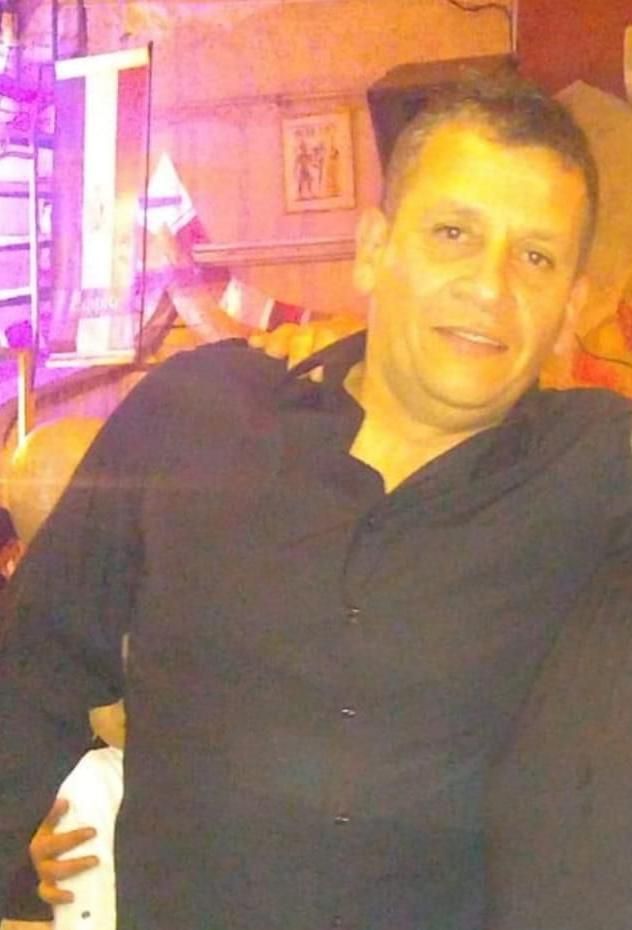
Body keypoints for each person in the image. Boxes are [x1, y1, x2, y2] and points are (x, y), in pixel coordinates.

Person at [2, 72, 631, 930]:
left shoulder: (597, 467)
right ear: (374, 248)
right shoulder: (196, 417)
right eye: (453, 233)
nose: (491, 287)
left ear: (571, 305)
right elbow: (31, 668)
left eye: (536, 257)